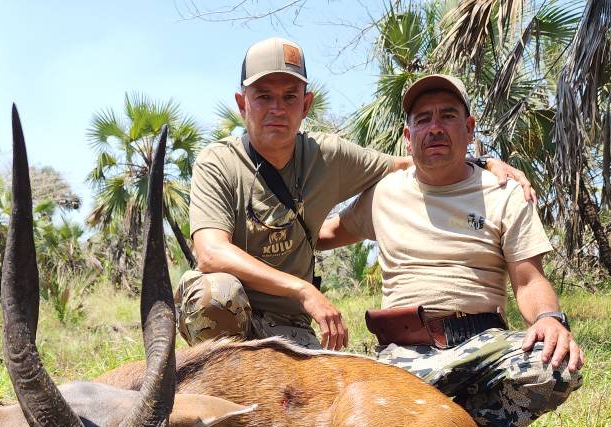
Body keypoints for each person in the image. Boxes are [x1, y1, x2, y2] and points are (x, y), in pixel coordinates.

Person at [179, 37, 533, 351]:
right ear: (243, 104)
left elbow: (411, 162)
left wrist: (482, 164)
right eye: (263, 97)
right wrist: (304, 291)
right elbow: (211, 253)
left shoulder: (328, 155)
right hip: (232, 312)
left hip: (290, 324)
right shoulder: (218, 161)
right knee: (218, 295)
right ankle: (217, 381)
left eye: (289, 97)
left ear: (306, 105)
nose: (277, 108)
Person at [320, 74, 583, 427]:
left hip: (482, 345)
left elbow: (529, 280)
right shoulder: (383, 192)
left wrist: (549, 319)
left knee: (554, 369)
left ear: (470, 128)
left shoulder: (504, 193)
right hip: (404, 348)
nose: (435, 127)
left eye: (448, 115)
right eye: (423, 119)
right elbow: (322, 235)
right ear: (408, 137)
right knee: (350, 411)